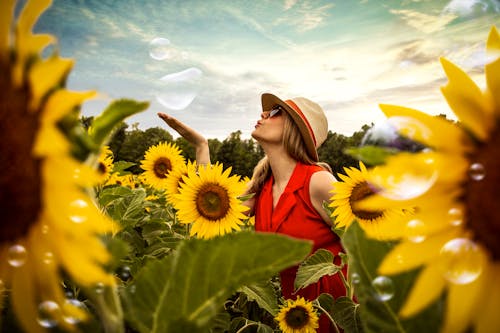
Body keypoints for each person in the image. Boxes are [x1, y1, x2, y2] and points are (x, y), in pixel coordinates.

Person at [158, 93, 346, 332]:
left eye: (276, 112)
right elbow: (212, 211)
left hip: (335, 309)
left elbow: (362, 249)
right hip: (295, 316)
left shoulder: (319, 182)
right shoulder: (261, 188)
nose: (264, 114)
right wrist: (201, 146)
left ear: (295, 129)